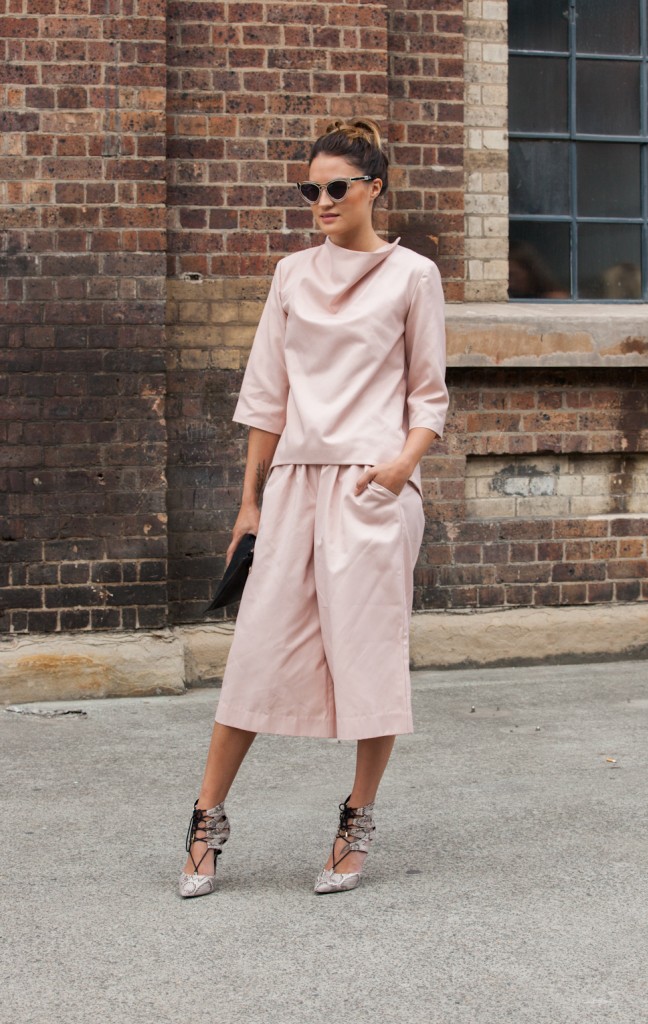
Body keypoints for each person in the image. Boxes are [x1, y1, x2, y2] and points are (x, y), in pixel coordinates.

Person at [179, 118, 449, 898]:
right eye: (310, 189)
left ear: (373, 188)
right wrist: (248, 504)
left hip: (372, 488)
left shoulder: (413, 276)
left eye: (335, 187)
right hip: (295, 485)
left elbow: (428, 395)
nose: (321, 201)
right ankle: (204, 819)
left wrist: (399, 467)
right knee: (256, 652)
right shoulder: (291, 274)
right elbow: (267, 395)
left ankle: (356, 822)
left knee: (370, 658)